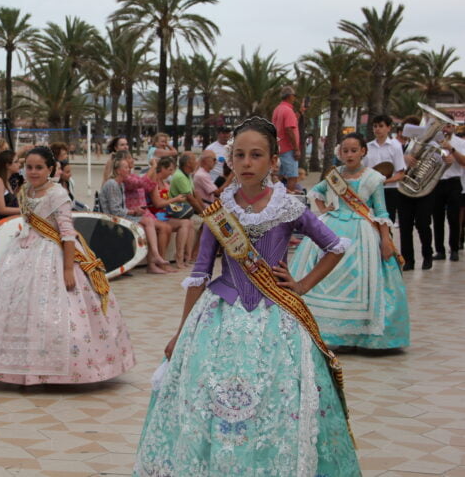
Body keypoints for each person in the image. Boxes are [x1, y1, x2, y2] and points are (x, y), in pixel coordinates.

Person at [134, 117, 359, 476]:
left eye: (256, 155)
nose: (247, 163)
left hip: (277, 320)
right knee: (209, 398)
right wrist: (180, 332)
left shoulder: (289, 207)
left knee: (277, 397)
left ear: (273, 162)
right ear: (230, 160)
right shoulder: (220, 212)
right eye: (239, 155)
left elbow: (333, 247)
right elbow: (199, 274)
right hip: (218, 317)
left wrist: (301, 286)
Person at [0, 146, 135, 384]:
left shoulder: (57, 194)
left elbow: (67, 232)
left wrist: (66, 269)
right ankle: (18, 366)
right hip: (22, 251)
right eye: (29, 167)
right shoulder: (25, 191)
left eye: (39, 167)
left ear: (50, 169)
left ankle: (67, 367)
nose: (33, 172)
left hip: (54, 253)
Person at [290, 133, 410, 350]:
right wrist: (326, 209)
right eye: (345, 150)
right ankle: (326, 333)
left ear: (363, 151)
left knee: (362, 279)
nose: (349, 154)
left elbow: (381, 211)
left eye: (354, 150)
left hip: (362, 232)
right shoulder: (334, 176)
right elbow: (316, 192)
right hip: (333, 229)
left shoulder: (374, 178)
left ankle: (360, 337)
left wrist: (385, 240)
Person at [100, 155, 173, 274]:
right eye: (126, 167)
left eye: (128, 167)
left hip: (122, 215)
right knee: (149, 223)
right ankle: (154, 256)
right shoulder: (113, 184)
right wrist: (133, 211)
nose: (129, 169)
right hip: (112, 218)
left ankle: (154, 257)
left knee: (147, 224)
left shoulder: (121, 184)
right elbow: (115, 210)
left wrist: (136, 210)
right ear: (118, 170)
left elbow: (148, 186)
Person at [119, 151, 176, 273]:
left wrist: (154, 172)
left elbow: (149, 187)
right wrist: (154, 167)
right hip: (134, 213)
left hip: (144, 212)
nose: (132, 160)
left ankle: (156, 262)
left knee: (166, 227)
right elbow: (141, 183)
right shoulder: (126, 178)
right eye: (129, 158)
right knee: (162, 227)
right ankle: (155, 261)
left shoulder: (133, 175)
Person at [397, 115, 434, 270]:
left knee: (423, 224)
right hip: (403, 190)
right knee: (405, 226)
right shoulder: (398, 147)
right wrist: (404, 158)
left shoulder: (430, 145)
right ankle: (408, 260)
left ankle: (427, 255)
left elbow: (436, 163)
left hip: (423, 191)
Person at [146, 157, 192, 268]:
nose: (172, 173)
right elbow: (157, 204)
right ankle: (170, 260)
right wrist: (175, 199)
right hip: (155, 214)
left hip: (164, 214)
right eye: (170, 170)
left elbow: (167, 203)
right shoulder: (155, 182)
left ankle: (182, 257)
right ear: (162, 168)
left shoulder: (165, 183)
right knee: (177, 225)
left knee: (187, 222)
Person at [362, 114, 405, 224]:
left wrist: (384, 181)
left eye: (381, 126)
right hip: (371, 191)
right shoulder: (367, 147)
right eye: (375, 126)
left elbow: (401, 174)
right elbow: (363, 170)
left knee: (387, 224)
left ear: (389, 128)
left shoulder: (395, 146)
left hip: (389, 191)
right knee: (371, 223)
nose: (377, 129)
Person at [432, 121, 465, 261]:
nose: (446, 128)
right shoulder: (432, 142)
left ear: (453, 127)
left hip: (454, 181)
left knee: (453, 218)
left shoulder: (460, 142)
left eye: (449, 125)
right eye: (443, 126)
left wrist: (451, 149)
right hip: (437, 182)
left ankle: (454, 249)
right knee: (437, 218)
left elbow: (463, 161)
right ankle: (440, 250)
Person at [272, 86, 302, 191]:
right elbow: (289, 129)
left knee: (280, 176)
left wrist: (301, 112)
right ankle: (289, 200)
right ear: (290, 96)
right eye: (294, 96)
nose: (295, 98)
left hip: (280, 148)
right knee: (292, 176)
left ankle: (275, 198)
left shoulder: (278, 109)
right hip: (289, 149)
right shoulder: (288, 110)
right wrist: (296, 149)